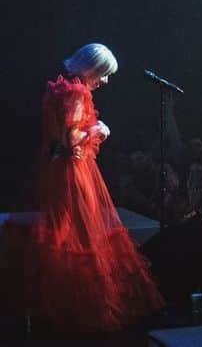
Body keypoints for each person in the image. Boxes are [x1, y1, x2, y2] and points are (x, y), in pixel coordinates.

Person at [18, 43, 164, 332]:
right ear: (92, 69)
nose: (105, 81)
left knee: (69, 233)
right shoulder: (77, 93)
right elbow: (71, 140)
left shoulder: (59, 90)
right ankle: (86, 310)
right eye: (104, 74)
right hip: (73, 172)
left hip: (58, 170)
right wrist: (99, 129)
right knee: (83, 233)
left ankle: (61, 308)